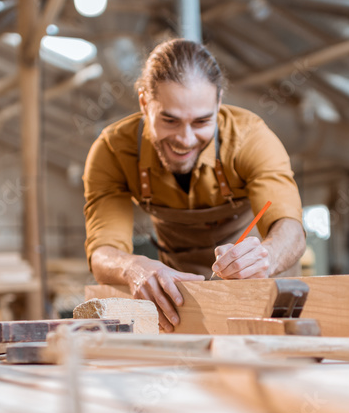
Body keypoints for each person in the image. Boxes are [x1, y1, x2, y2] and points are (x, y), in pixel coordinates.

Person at [82, 39, 306, 331]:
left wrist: (267, 257)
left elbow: (291, 229)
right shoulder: (112, 151)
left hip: (261, 293)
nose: (185, 140)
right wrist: (133, 267)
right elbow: (102, 253)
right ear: (144, 103)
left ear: (218, 103)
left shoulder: (251, 137)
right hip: (179, 301)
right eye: (170, 120)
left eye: (201, 122)